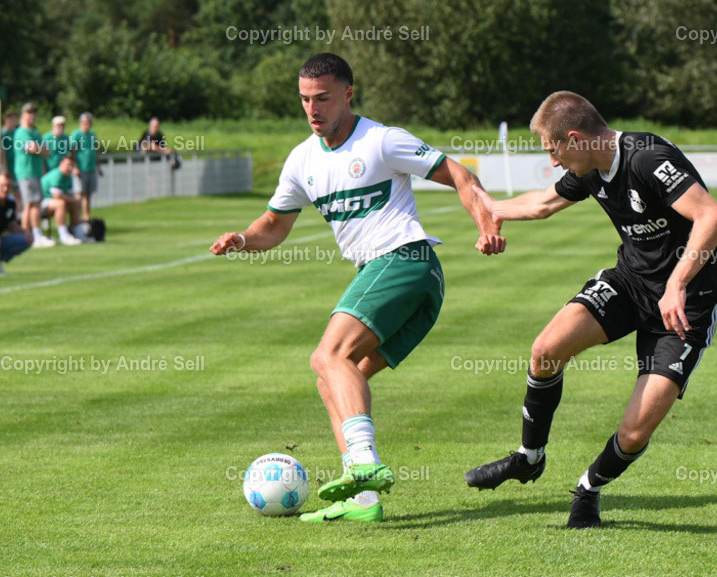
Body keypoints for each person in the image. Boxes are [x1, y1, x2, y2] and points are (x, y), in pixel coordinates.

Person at [209, 53, 505, 523]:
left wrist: (485, 222)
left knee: (328, 356)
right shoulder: (301, 160)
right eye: (305, 99)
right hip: (408, 283)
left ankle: (365, 464)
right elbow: (273, 224)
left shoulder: (382, 141)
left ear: (348, 94)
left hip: (405, 260)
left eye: (323, 98)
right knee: (335, 381)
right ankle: (364, 501)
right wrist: (243, 239)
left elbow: (459, 175)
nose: (313, 109)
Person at [465, 91, 717, 529]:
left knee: (634, 432)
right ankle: (529, 457)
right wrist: (492, 210)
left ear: (574, 138)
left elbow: (711, 218)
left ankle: (588, 489)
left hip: (687, 304)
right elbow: (545, 203)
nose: (553, 162)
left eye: (553, 151)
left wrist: (677, 285)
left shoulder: (647, 158)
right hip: (630, 284)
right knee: (546, 349)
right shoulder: (589, 166)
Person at [13, 102, 55, 248]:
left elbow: (47, 151)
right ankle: (35, 235)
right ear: (23, 115)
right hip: (26, 172)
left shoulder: (35, 132)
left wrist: (40, 149)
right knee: (33, 203)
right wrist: (39, 149)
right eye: (28, 113)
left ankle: (26, 235)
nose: (31, 116)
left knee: (32, 204)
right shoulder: (22, 132)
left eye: (33, 113)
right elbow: (33, 148)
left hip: (36, 172)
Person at [39, 156, 85, 245]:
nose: (70, 167)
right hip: (40, 204)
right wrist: (74, 200)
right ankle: (64, 236)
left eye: (72, 165)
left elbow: (69, 195)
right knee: (60, 204)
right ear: (61, 164)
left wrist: (76, 201)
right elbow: (57, 196)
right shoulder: (57, 175)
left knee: (74, 204)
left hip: (51, 202)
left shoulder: (69, 177)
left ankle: (79, 234)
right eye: (68, 165)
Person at [70, 112, 103, 221]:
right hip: (81, 169)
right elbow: (71, 152)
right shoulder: (76, 135)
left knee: (88, 194)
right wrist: (74, 167)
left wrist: (99, 167)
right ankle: (77, 216)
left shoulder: (92, 135)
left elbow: (95, 151)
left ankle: (87, 216)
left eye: (89, 123)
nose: (87, 125)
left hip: (91, 168)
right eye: (85, 123)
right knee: (79, 194)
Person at [0, 111, 22, 206]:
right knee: (8, 189)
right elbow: (2, 152)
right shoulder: (3, 134)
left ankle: (18, 211)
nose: (13, 121)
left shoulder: (16, 132)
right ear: (7, 120)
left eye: (14, 119)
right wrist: (5, 168)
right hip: (9, 166)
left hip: (17, 166)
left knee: (18, 191)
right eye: (11, 119)